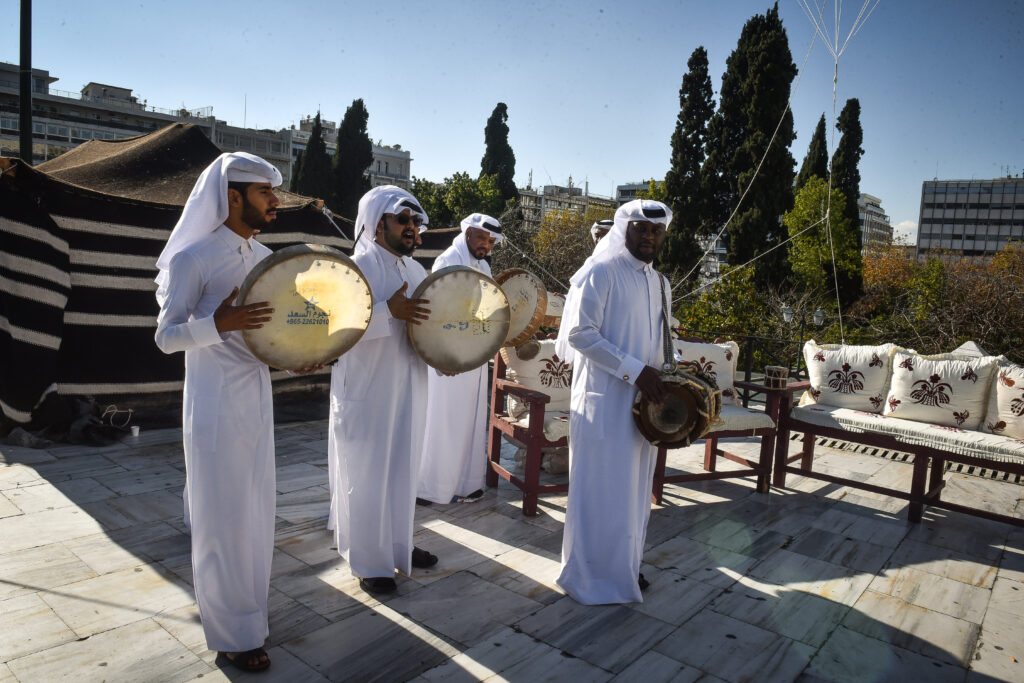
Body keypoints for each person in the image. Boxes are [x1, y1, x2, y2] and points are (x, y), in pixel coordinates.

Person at [155, 152, 283, 671]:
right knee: (221, 519)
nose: (275, 200)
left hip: (258, 399)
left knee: (256, 516)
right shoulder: (196, 258)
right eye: (264, 192)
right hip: (212, 406)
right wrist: (219, 323)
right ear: (232, 197)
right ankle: (232, 634)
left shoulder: (269, 258)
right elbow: (165, 337)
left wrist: (297, 356)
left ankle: (251, 617)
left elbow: (277, 330)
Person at [554, 199, 673, 605]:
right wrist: (635, 370)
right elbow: (580, 335)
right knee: (599, 489)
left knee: (635, 491)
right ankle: (587, 576)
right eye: (641, 228)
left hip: (645, 406)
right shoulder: (600, 272)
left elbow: (658, 342)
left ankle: (623, 567)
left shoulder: (661, 283)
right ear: (626, 229)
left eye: (656, 230)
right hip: (603, 403)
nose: (649, 236)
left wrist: (668, 370)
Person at [327, 185, 439, 595]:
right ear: (378, 224)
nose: (412, 228)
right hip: (367, 389)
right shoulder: (354, 268)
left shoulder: (416, 272)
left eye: (415, 221)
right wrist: (385, 311)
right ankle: (369, 562)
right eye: (403, 220)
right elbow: (332, 329)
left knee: (403, 469)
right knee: (368, 474)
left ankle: (398, 546)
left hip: (410, 384)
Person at [417, 213, 503, 505]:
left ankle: (466, 484)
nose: (486, 245)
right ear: (467, 234)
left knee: (470, 418)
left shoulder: (483, 266)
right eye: (481, 238)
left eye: (490, 241)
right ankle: (431, 488)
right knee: (444, 418)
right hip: (449, 353)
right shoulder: (447, 262)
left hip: (474, 353)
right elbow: (439, 310)